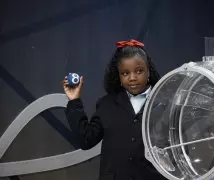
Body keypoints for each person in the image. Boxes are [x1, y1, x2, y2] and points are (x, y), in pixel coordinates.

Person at [62, 39, 166, 180]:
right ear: (118, 76)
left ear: (149, 72)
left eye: (139, 71)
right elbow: (86, 140)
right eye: (125, 73)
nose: (132, 78)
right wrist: (74, 101)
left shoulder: (164, 105)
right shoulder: (107, 104)